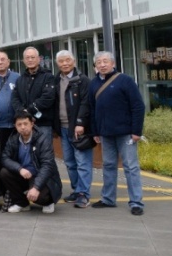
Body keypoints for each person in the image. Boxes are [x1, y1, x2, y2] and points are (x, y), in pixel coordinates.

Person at [90, 51, 145, 216]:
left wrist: (136, 131)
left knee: (131, 167)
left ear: (113, 63)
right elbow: (92, 110)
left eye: (105, 61)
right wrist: (95, 131)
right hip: (105, 134)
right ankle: (108, 199)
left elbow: (138, 106)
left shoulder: (125, 80)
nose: (102, 65)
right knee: (108, 166)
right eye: (99, 62)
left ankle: (136, 202)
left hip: (126, 133)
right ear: (95, 66)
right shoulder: (93, 83)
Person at [0, 110, 62, 214]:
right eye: (19, 124)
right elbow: (5, 158)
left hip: (42, 176)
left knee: (40, 197)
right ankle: (22, 203)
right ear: (15, 126)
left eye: (25, 123)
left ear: (32, 124)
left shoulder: (43, 139)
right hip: (24, 174)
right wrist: (19, 169)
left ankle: (48, 202)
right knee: (4, 173)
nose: (23, 127)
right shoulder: (13, 138)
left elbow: (47, 165)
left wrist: (36, 187)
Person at [54, 50, 93, 209]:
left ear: (74, 61)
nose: (65, 63)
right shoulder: (56, 80)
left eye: (68, 60)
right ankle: (77, 190)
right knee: (70, 162)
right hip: (63, 128)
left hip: (78, 128)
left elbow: (86, 103)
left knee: (82, 162)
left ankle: (84, 193)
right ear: (57, 64)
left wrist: (80, 122)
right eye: (61, 61)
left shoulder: (82, 80)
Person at [11, 47, 56, 133]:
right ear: (23, 61)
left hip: (43, 124)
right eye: (27, 58)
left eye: (33, 57)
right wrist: (22, 112)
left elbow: (48, 98)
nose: (30, 60)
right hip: (25, 124)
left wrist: (29, 110)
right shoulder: (20, 79)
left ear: (38, 59)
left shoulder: (48, 77)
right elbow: (15, 98)